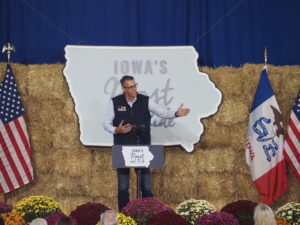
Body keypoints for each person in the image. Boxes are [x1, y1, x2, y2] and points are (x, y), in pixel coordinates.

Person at [103, 75, 190, 210]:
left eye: (135, 86)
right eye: (130, 87)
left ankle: (148, 215)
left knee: (146, 186)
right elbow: (106, 124)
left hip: (142, 148)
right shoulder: (115, 102)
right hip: (122, 149)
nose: (133, 90)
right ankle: (124, 217)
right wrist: (116, 130)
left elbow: (162, 112)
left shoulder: (146, 101)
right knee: (123, 187)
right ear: (123, 88)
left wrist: (176, 114)